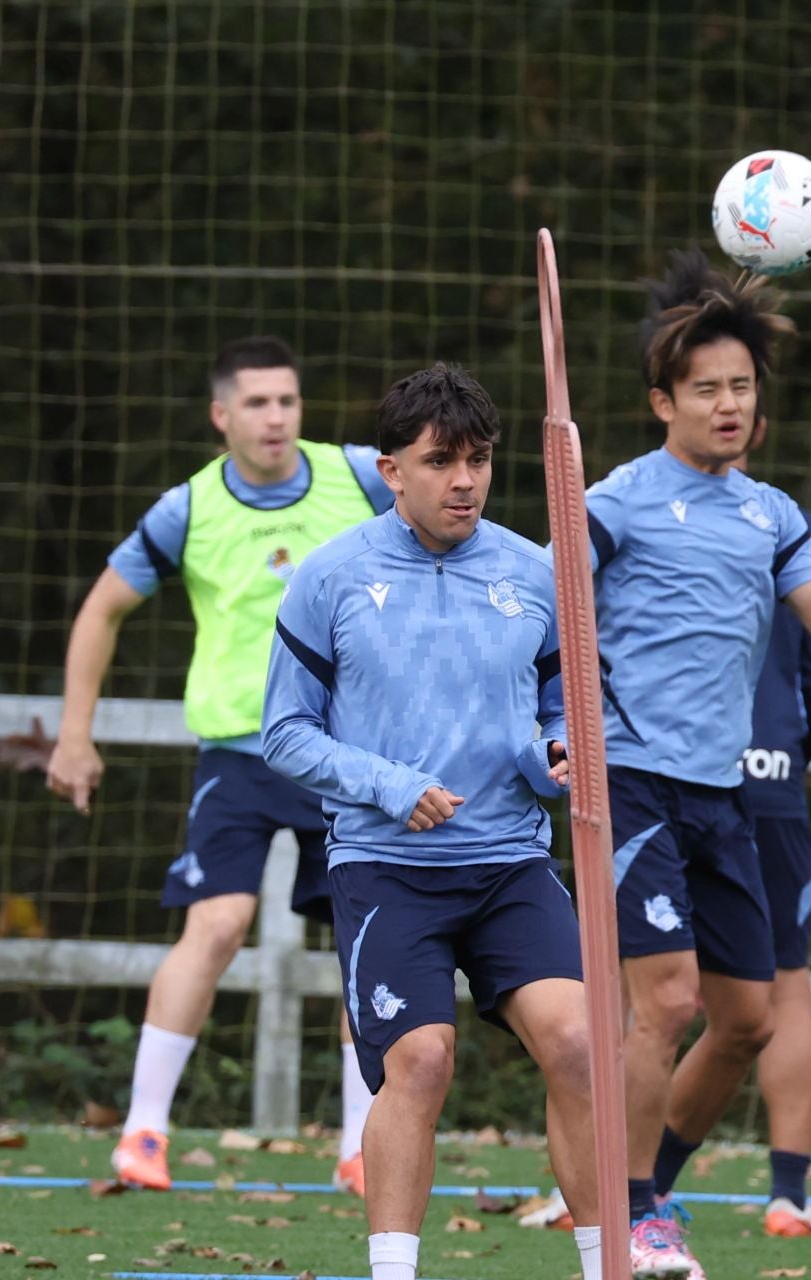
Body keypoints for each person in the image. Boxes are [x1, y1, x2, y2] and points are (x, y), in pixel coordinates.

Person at [261, 363, 604, 1280]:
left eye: (480, 460)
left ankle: (607, 1264)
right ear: (390, 470)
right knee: (420, 1059)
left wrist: (557, 758)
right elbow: (283, 735)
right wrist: (384, 784)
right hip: (385, 866)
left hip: (507, 865)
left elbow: (567, 712)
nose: (465, 481)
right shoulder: (329, 578)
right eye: (441, 461)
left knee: (578, 1046)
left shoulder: (539, 574)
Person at [589, 249, 811, 1279]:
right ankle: (628, 1217)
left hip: (725, 793)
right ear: (662, 399)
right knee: (665, 1003)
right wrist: (550, 735)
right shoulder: (613, 502)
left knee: (748, 1018)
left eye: (741, 387)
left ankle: (649, 1184)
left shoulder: (771, 516)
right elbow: (545, 628)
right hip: (631, 783)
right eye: (706, 387)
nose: (726, 404)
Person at [45, 336, 393, 1193]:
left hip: (349, 756)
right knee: (218, 922)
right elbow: (101, 610)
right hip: (239, 752)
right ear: (222, 415)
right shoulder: (188, 509)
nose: (276, 418)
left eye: (289, 401)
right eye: (258, 403)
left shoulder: (362, 478)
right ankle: (144, 1134)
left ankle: (360, 1146)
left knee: (367, 942)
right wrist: (74, 734)